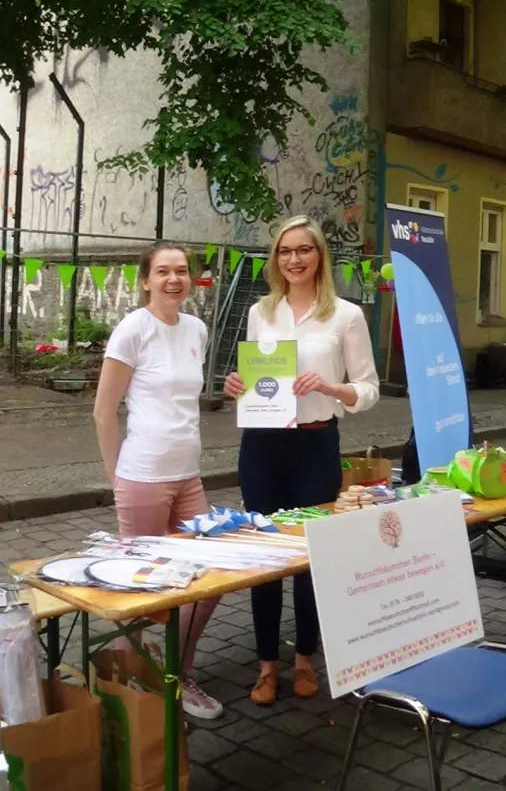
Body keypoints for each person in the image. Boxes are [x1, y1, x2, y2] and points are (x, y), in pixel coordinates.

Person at [224, 215, 379, 705]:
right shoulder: (261, 312)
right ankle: (267, 666)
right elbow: (257, 380)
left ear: (319, 256)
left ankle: (306, 659)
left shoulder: (346, 315)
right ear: (276, 258)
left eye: (303, 250)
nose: (294, 259)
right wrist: (238, 385)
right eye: (285, 251)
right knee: (266, 557)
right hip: (262, 447)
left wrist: (332, 387)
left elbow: (369, 389)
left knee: (313, 559)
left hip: (315, 446)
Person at [93, 241, 223, 720]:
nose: (174, 279)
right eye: (163, 272)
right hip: (143, 476)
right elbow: (103, 411)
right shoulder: (134, 329)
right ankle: (134, 694)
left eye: (182, 271)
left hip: (188, 475)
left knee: (208, 580)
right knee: (142, 590)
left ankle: (175, 673)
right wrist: (118, 478)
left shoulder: (196, 329)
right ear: (146, 280)